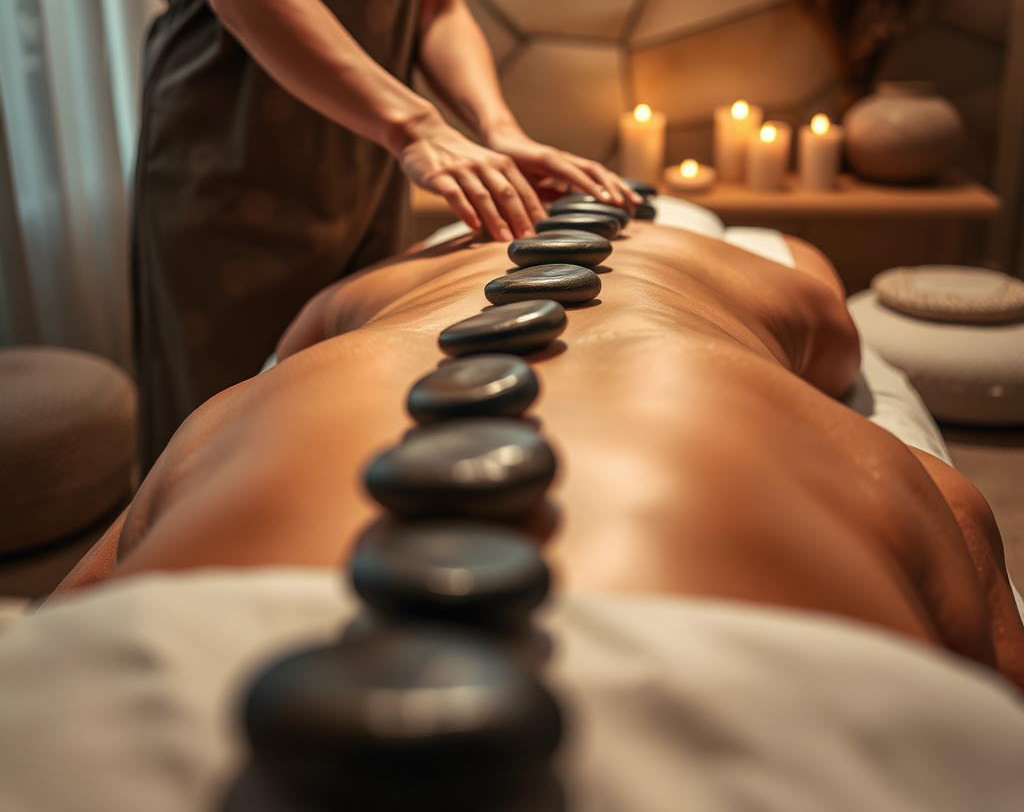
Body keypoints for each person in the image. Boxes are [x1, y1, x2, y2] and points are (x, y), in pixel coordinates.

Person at [6, 221, 1024, 810]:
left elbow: (65, 623)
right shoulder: (732, 261)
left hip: (182, 661)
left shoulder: (381, 289)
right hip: (792, 685)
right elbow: (839, 351)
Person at [108, 0, 637, 471]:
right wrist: (417, 125)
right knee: (224, 460)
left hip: (366, 168)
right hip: (231, 170)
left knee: (358, 440)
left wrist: (497, 128)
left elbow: (438, 7)